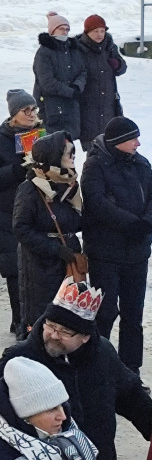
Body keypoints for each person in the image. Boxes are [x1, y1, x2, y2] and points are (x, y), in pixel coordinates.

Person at [0, 276, 152, 460]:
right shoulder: (20, 357)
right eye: (51, 325)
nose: (54, 335)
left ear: (85, 337)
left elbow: (131, 396)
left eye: (65, 331)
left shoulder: (103, 354)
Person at [80, 115, 152, 373]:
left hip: (137, 252)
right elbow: (97, 203)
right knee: (105, 312)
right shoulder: (95, 165)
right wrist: (130, 224)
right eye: (133, 139)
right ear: (118, 141)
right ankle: (98, 368)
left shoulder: (142, 164)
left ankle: (130, 371)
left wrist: (145, 224)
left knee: (133, 315)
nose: (138, 143)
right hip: (105, 253)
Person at [0, 89, 41, 340]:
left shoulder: (43, 137)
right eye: (26, 110)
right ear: (13, 115)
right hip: (7, 212)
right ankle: (19, 321)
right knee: (16, 270)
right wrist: (17, 169)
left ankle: (35, 321)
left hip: (38, 210)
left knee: (38, 269)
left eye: (34, 109)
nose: (32, 114)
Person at [13, 131, 82, 330]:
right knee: (42, 316)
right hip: (40, 263)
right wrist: (55, 249)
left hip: (67, 258)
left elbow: (75, 222)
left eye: (73, 153)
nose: (73, 157)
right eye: (68, 153)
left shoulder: (69, 185)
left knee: (68, 314)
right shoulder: (30, 188)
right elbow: (21, 228)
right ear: (54, 157)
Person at [75, 14, 127, 151]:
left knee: (111, 144)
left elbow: (122, 68)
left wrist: (118, 64)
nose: (99, 34)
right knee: (93, 148)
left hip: (109, 104)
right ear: (87, 32)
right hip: (88, 106)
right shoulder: (78, 49)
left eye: (102, 31)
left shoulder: (109, 47)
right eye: (95, 31)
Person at [32, 11, 86, 138]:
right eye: (61, 29)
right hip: (50, 108)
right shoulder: (44, 53)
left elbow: (83, 71)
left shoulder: (73, 50)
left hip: (71, 107)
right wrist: (70, 92)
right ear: (53, 30)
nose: (65, 32)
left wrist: (77, 86)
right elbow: (47, 82)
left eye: (67, 29)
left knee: (70, 142)